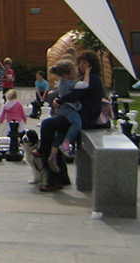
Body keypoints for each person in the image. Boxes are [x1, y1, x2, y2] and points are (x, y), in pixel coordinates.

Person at [36, 51, 106, 192]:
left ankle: (52, 170)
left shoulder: (91, 78)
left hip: (84, 119)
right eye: (80, 62)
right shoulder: (87, 78)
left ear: (91, 65)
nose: (81, 65)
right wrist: (57, 98)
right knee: (55, 131)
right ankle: (60, 177)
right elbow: (70, 90)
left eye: (85, 63)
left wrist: (58, 101)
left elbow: (75, 94)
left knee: (47, 125)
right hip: (80, 115)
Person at [42, 59, 89, 165]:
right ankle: (66, 143)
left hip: (62, 109)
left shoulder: (63, 82)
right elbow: (85, 85)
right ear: (67, 74)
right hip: (68, 108)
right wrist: (87, 73)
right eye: (74, 71)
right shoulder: (70, 83)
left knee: (61, 131)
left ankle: (53, 155)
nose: (76, 72)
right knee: (77, 123)